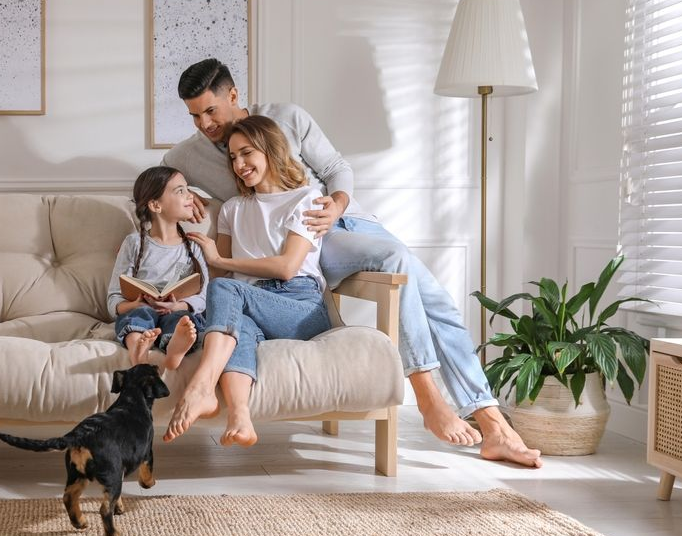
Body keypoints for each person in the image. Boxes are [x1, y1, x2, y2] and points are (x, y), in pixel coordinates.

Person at [161, 58, 542, 468]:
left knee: (434, 300)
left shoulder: (287, 117)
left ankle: (481, 418)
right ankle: (457, 411)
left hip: (338, 225)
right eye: (194, 115)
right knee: (398, 270)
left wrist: (335, 204)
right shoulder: (191, 155)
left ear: (233, 95)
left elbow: (336, 168)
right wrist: (183, 192)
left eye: (210, 111)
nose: (203, 123)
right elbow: (164, 177)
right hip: (295, 246)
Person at [164, 115, 332, 447]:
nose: (239, 164)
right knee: (234, 321)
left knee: (227, 291)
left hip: (299, 306)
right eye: (232, 157)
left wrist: (218, 260)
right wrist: (176, 295)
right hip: (250, 302)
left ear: (270, 149)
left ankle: (201, 386)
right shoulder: (233, 209)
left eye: (247, 153)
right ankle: (240, 418)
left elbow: (286, 267)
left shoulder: (307, 199)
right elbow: (222, 277)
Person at [107, 166, 208, 371]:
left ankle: (174, 351)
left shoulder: (193, 247)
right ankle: (139, 350)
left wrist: (179, 306)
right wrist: (133, 304)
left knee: (183, 322)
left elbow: (204, 295)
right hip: (141, 309)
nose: (190, 196)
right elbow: (113, 298)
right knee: (139, 315)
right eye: (180, 191)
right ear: (155, 205)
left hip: (176, 310)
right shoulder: (133, 244)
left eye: (187, 189)